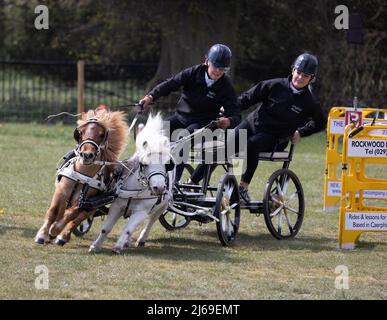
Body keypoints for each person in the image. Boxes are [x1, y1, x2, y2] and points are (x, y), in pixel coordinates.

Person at [231, 53, 326, 203]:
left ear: (311, 78)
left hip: (276, 137)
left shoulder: (310, 102)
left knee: (252, 144)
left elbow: (321, 122)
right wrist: (229, 109)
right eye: (298, 72)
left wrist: (301, 132)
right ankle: (194, 183)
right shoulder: (274, 85)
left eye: (305, 76)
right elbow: (247, 98)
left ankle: (243, 188)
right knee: (225, 144)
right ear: (293, 70)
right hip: (252, 124)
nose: (300, 77)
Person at [139, 44, 241, 181]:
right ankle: (148, 174)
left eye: (222, 69)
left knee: (184, 138)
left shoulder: (226, 86)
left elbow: (235, 113)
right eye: (215, 66)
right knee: (155, 131)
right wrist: (151, 96)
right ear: (207, 61)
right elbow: (171, 84)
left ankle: (174, 182)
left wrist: (228, 121)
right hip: (181, 118)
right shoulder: (193, 72)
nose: (217, 71)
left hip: (204, 126)